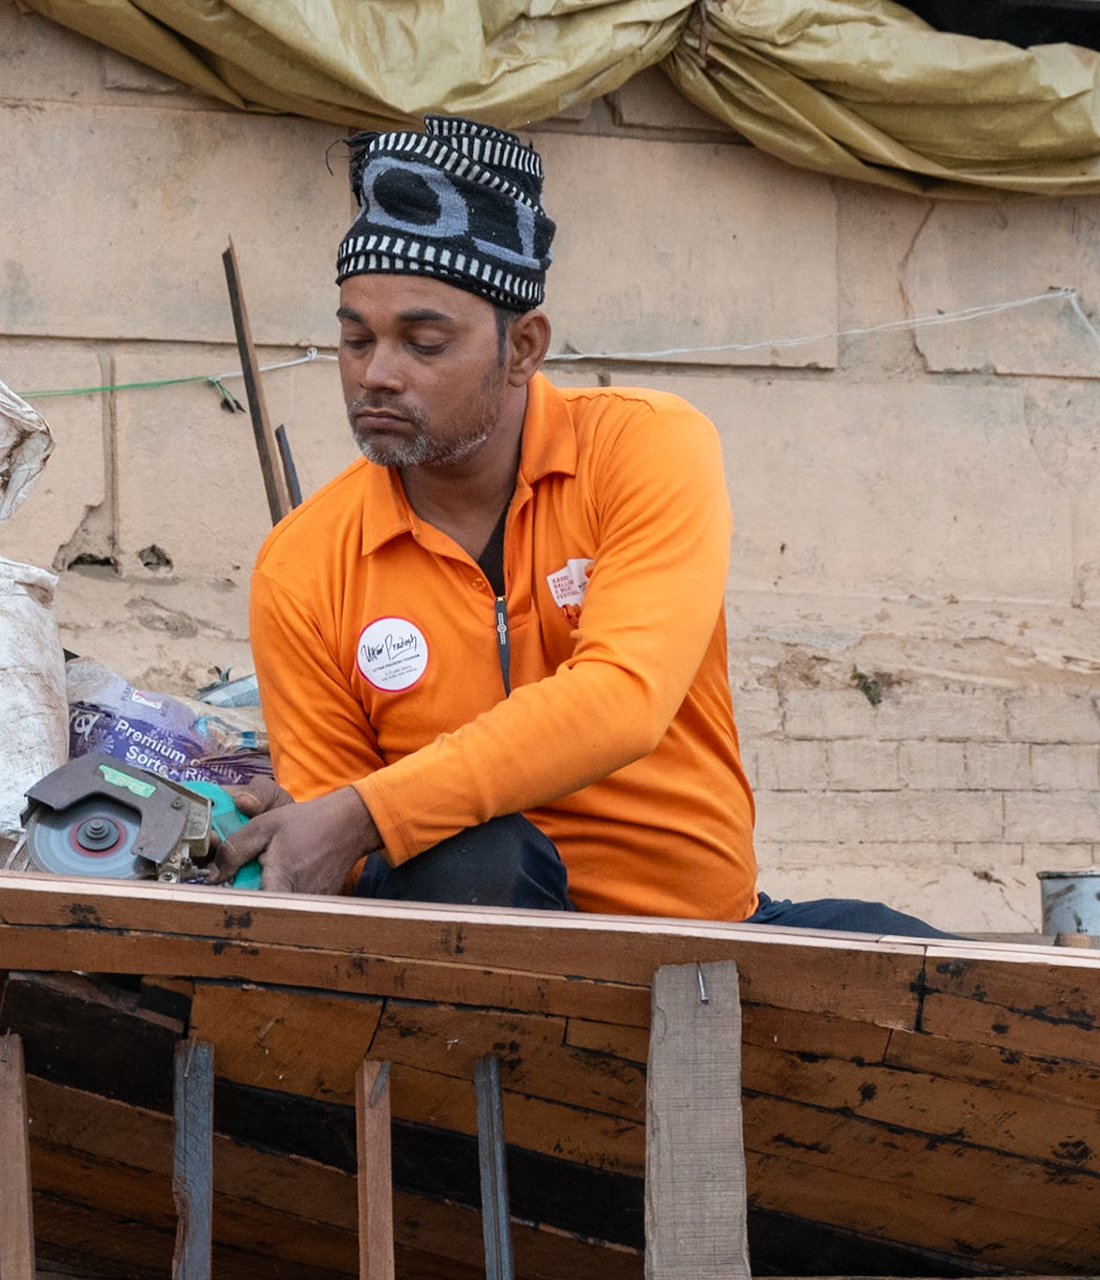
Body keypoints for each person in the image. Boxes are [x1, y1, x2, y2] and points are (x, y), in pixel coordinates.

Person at [208, 115, 948, 938]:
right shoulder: (305, 563)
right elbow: (341, 853)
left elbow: (621, 700)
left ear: (523, 348)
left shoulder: (645, 446)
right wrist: (308, 826)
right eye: (354, 339)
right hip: (473, 963)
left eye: (423, 342)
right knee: (485, 860)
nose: (376, 375)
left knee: (949, 980)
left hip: (698, 947)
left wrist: (361, 811)